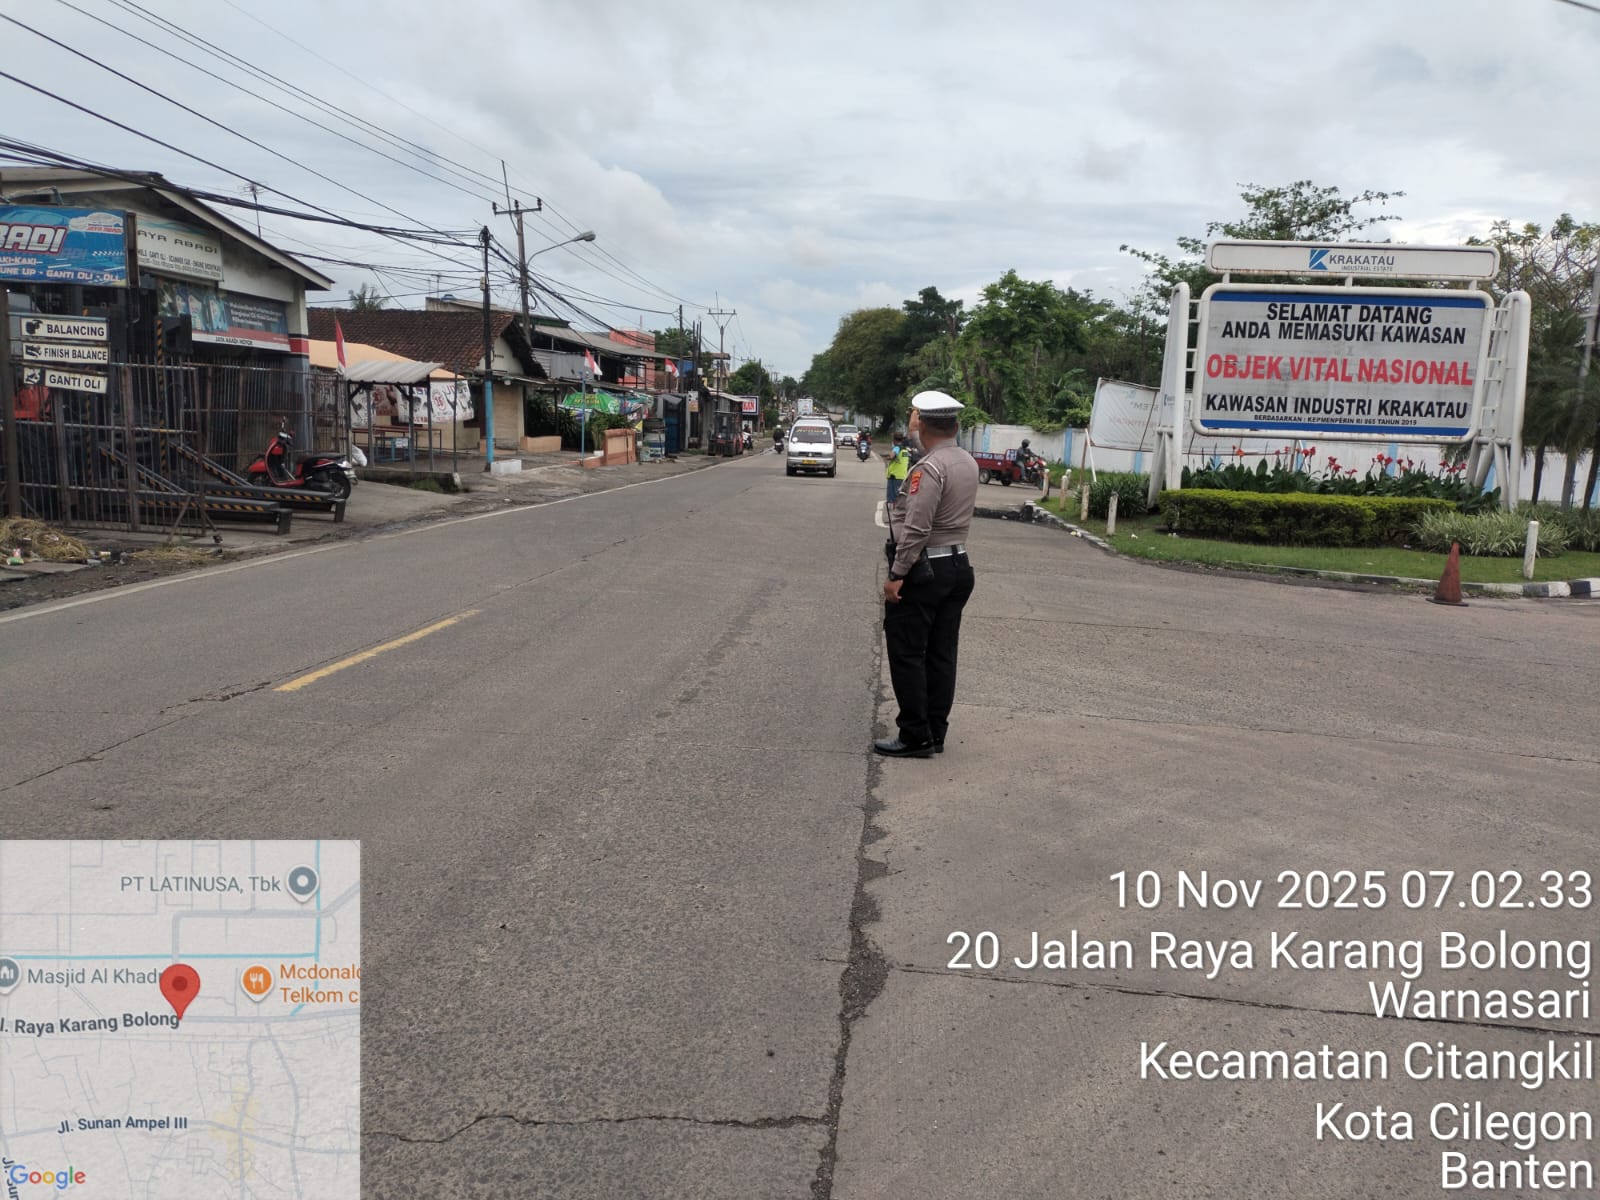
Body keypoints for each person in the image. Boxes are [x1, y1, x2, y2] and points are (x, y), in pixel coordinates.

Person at [876, 390, 979, 758]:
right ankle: (935, 732)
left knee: (907, 651)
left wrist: (897, 573)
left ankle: (915, 734)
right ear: (956, 425)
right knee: (941, 653)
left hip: (926, 571)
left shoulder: (930, 468)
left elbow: (917, 529)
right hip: (958, 565)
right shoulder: (967, 461)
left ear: (923, 426)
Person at [883, 432, 909, 504]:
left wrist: (889, 457)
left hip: (894, 477)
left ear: (894, 440)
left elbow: (892, 455)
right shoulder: (905, 449)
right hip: (903, 476)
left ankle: (895, 511)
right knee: (899, 498)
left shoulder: (897, 448)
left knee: (894, 500)